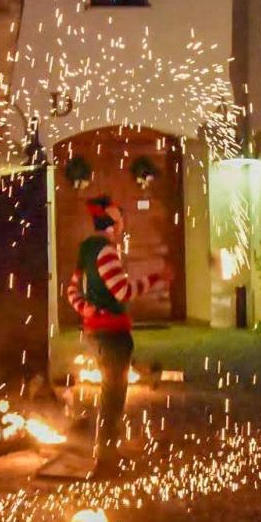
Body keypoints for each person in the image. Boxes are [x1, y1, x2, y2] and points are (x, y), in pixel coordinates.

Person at [64, 196, 170, 476]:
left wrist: (85, 309)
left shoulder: (86, 250)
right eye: (121, 219)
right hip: (111, 334)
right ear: (113, 222)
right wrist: (156, 279)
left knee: (110, 395)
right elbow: (123, 292)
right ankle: (105, 462)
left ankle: (109, 453)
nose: (123, 224)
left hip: (94, 332)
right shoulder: (106, 252)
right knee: (113, 399)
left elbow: (72, 290)